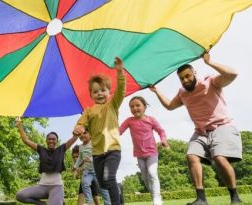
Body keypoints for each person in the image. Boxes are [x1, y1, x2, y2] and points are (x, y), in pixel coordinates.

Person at [149, 53, 242, 205]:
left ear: (194, 73)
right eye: (182, 78)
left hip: (222, 126)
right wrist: (156, 90)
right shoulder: (182, 93)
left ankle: (235, 196)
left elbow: (233, 74)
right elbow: (169, 106)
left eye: (188, 76)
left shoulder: (210, 81)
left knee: (219, 158)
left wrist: (210, 62)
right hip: (200, 132)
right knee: (191, 156)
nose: (185, 80)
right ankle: (201, 199)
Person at [73, 57, 126, 205]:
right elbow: (80, 124)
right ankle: (117, 188)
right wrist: (78, 129)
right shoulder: (89, 111)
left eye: (103, 90)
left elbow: (121, 91)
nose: (100, 93)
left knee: (109, 179)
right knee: (103, 184)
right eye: (95, 92)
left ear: (109, 92)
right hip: (97, 154)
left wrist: (120, 72)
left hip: (112, 150)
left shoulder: (113, 105)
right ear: (91, 95)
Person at [15, 117, 78, 205]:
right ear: (46, 140)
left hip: (56, 186)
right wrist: (19, 125)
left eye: (53, 139)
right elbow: (26, 140)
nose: (51, 141)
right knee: (20, 195)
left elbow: (74, 138)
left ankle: (58, 199)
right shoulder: (41, 149)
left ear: (57, 141)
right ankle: (42, 204)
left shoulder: (61, 149)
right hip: (42, 187)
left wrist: (79, 127)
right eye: (49, 139)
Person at [119, 96, 169, 205]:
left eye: (138, 105)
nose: (135, 108)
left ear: (145, 107)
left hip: (152, 153)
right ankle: (154, 197)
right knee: (146, 178)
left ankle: (157, 199)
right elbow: (119, 131)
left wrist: (163, 140)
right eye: (132, 106)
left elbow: (161, 131)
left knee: (152, 173)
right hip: (139, 154)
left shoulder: (151, 120)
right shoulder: (129, 121)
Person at [74, 130, 110, 205]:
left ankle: (108, 202)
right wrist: (75, 166)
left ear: (90, 135)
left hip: (97, 170)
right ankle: (89, 202)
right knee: (84, 182)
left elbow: (100, 155)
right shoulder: (80, 147)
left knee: (102, 188)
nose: (82, 135)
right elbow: (80, 158)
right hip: (87, 171)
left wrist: (90, 159)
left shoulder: (93, 143)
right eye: (80, 134)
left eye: (85, 133)